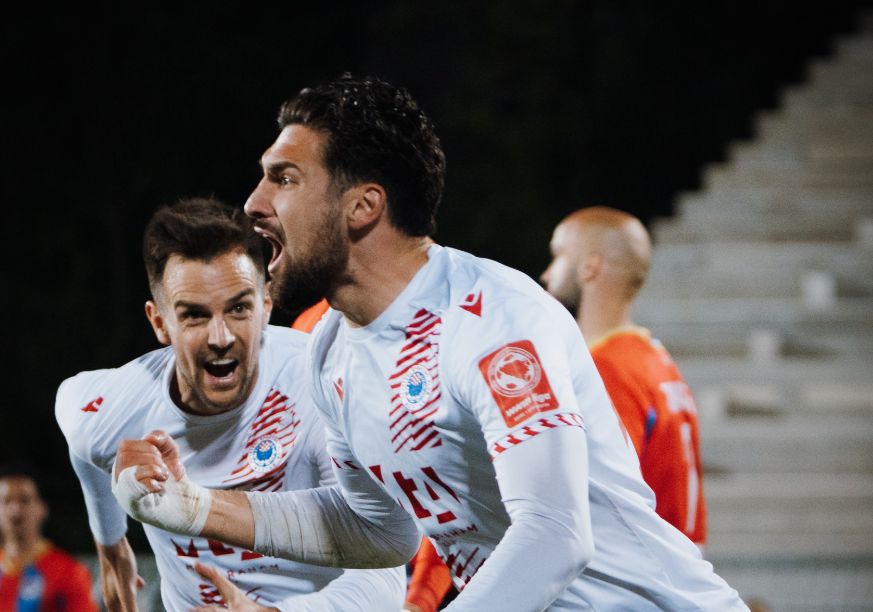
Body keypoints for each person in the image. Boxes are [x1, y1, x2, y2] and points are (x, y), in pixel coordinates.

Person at [111, 74, 748, 610]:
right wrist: (191, 506)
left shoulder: (491, 318)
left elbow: (555, 532)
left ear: (363, 207)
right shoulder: (330, 350)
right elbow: (375, 529)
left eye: (285, 178)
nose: (254, 203)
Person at [55, 198, 403, 610]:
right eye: (195, 315)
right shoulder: (115, 408)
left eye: (239, 308)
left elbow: (385, 572)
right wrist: (111, 546)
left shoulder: (324, 388)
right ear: (160, 322)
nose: (220, 337)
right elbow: (82, 443)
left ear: (266, 305)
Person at [541, 206, 707, 545]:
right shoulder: (654, 358)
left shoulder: (606, 369)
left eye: (558, 257)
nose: (546, 274)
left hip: (637, 565)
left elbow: (602, 501)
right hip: (675, 557)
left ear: (590, 267)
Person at [291, 302, 454, 612]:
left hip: (414, 567)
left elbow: (449, 493)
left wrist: (419, 601)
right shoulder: (308, 326)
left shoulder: (423, 314)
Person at [0, 466, 98, 611]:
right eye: (6, 501)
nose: (15, 510)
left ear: (42, 508)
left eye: (24, 500)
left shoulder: (69, 572)